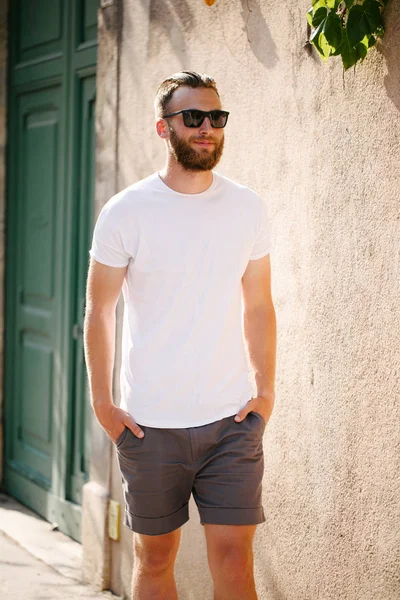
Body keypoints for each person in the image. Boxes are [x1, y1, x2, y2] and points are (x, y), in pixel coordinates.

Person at [84, 71, 276, 600]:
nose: (207, 127)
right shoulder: (127, 211)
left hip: (231, 421)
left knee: (236, 562)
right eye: (193, 117)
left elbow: (258, 304)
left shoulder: (247, 207)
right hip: (149, 426)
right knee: (155, 559)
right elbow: (98, 310)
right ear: (163, 129)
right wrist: (105, 406)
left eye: (216, 117)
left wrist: (264, 393)